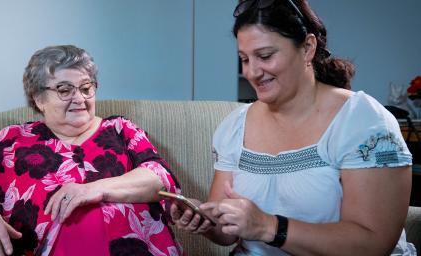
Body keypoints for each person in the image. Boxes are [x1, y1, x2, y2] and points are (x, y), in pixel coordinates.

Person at [170, 0, 417, 255]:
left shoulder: (362, 122)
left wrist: (269, 227)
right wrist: (207, 220)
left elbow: (373, 244)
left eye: (265, 56)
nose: (252, 72)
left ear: (308, 48)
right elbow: (226, 232)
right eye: (244, 59)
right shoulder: (234, 127)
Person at [0, 45, 182, 256]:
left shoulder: (121, 129)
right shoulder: (10, 141)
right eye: (64, 90)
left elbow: (161, 178)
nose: (80, 98)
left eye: (86, 88)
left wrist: (92, 190)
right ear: (39, 98)